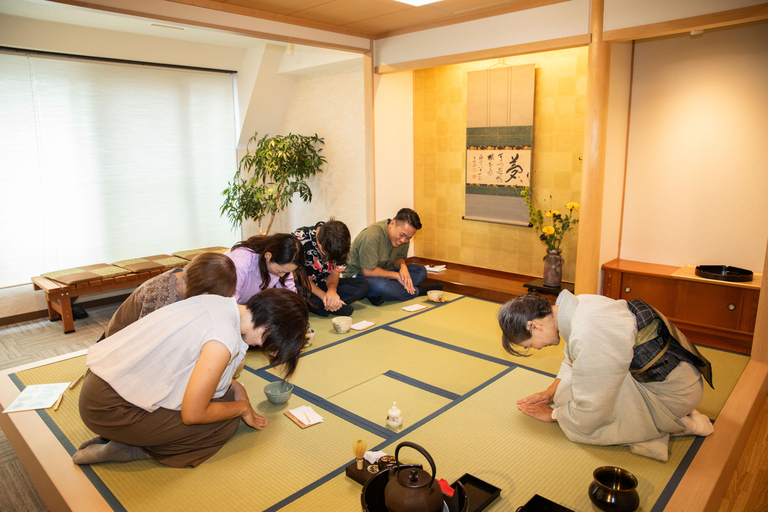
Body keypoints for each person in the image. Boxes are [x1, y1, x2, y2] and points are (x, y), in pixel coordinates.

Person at [74, 288, 309, 468]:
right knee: (224, 424)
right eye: (272, 343)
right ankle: (133, 449)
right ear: (268, 326)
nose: (266, 348)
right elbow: (193, 414)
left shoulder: (220, 304)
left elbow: (203, 372)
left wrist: (239, 393)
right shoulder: (222, 339)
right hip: (110, 407)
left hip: (103, 385)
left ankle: (130, 436)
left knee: (225, 397)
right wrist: (241, 408)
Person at [498, 290, 714, 461]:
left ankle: (677, 424)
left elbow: (594, 405)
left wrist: (555, 416)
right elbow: (572, 359)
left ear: (534, 325)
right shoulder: (578, 305)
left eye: (529, 344)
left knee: (581, 422)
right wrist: (550, 393)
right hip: (681, 377)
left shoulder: (587, 330)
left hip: (673, 395)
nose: (535, 349)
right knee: (568, 390)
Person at [105, 252, 237, 337]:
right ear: (205, 293)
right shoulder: (161, 298)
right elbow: (149, 346)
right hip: (117, 346)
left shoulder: (181, 277)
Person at [342, 208, 442, 305]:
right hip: (360, 276)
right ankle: (417, 291)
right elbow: (367, 271)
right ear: (393, 223)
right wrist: (397, 276)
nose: (404, 241)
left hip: (385, 271)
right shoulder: (372, 236)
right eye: (402, 235)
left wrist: (403, 267)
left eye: (408, 238)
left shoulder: (404, 238)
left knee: (421, 271)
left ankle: (379, 294)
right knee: (381, 286)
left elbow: (398, 259)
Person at [292, 218, 369, 317]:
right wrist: (323, 295)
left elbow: (335, 272)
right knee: (297, 296)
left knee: (363, 285)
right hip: (304, 285)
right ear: (319, 243)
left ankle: (326, 305)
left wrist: (332, 290)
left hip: (324, 282)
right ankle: (330, 305)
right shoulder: (299, 239)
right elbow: (298, 276)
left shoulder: (340, 243)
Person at [225, 233, 306, 304]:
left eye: (287, 272)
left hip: (246, 304)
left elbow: (290, 297)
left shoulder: (284, 265)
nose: (282, 275)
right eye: (280, 271)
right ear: (268, 256)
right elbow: (229, 304)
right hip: (224, 304)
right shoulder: (240, 262)